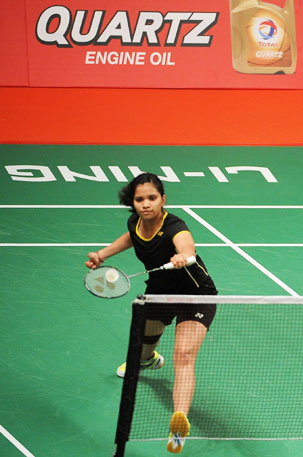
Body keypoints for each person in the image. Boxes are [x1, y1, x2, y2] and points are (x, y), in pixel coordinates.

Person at [85, 172, 218, 454]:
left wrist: (184, 255)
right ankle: (147, 360)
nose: (146, 204)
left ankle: (178, 425)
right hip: (159, 291)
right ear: (133, 202)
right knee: (146, 341)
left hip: (196, 295)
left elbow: (187, 244)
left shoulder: (175, 226)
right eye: (140, 199)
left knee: (183, 356)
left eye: (152, 198)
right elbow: (131, 237)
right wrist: (103, 254)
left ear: (163, 200)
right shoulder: (135, 221)